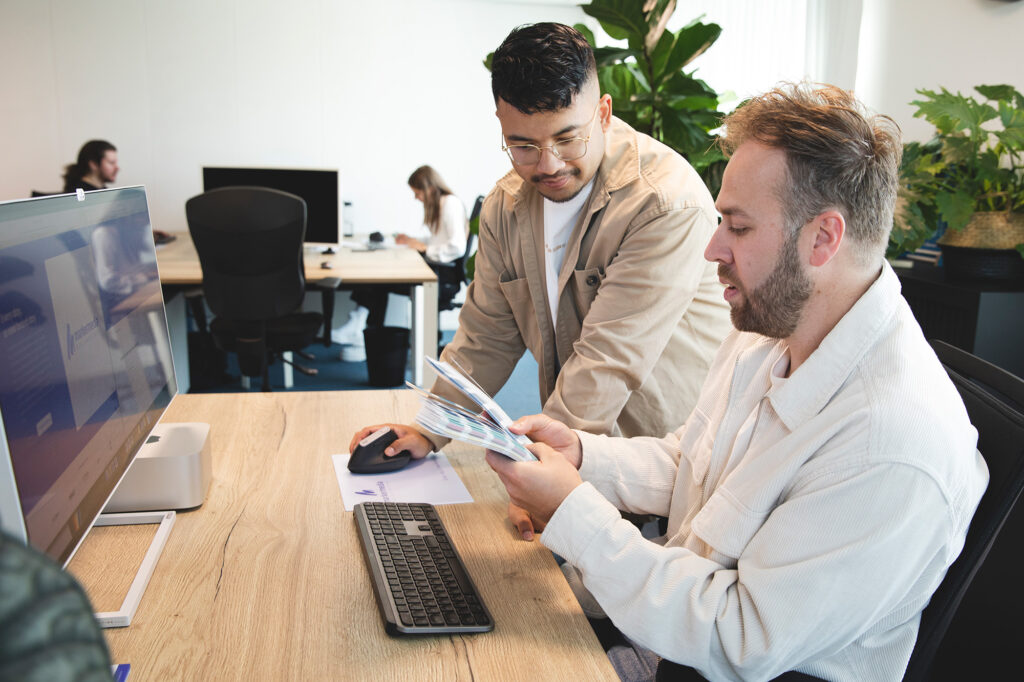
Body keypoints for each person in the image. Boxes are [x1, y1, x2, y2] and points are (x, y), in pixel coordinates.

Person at [482, 83, 990, 681]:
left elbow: (738, 638)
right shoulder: (770, 327)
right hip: (664, 639)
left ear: (823, 238)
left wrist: (572, 510)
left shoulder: (891, 446)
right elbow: (693, 462)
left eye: (738, 227)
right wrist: (585, 456)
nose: (712, 247)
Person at [349, 23, 732, 538]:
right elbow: (485, 336)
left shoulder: (664, 202)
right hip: (571, 452)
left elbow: (607, 362)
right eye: (523, 145)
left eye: (567, 138)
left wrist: (539, 476)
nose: (547, 165)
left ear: (603, 113)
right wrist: (427, 428)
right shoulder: (506, 205)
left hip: (659, 464)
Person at [335, 165, 468, 362]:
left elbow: (457, 247)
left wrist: (424, 249)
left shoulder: (450, 204)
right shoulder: (442, 203)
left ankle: (361, 329)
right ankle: (359, 325)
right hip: (436, 267)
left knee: (379, 281)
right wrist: (414, 240)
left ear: (429, 188)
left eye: (417, 193)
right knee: (377, 278)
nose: (416, 198)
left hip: (442, 275)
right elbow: (439, 239)